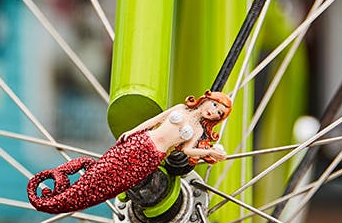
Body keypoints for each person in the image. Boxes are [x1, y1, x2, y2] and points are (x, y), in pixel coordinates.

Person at [26, 91, 232, 213]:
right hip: (141, 141)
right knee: (101, 169)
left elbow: (187, 150)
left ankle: (58, 198)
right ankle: (58, 193)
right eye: (214, 105)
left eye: (219, 113)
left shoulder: (197, 131)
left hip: (153, 157)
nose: (213, 111)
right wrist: (132, 132)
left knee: (114, 184)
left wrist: (211, 153)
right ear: (206, 99)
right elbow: (155, 121)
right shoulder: (180, 108)